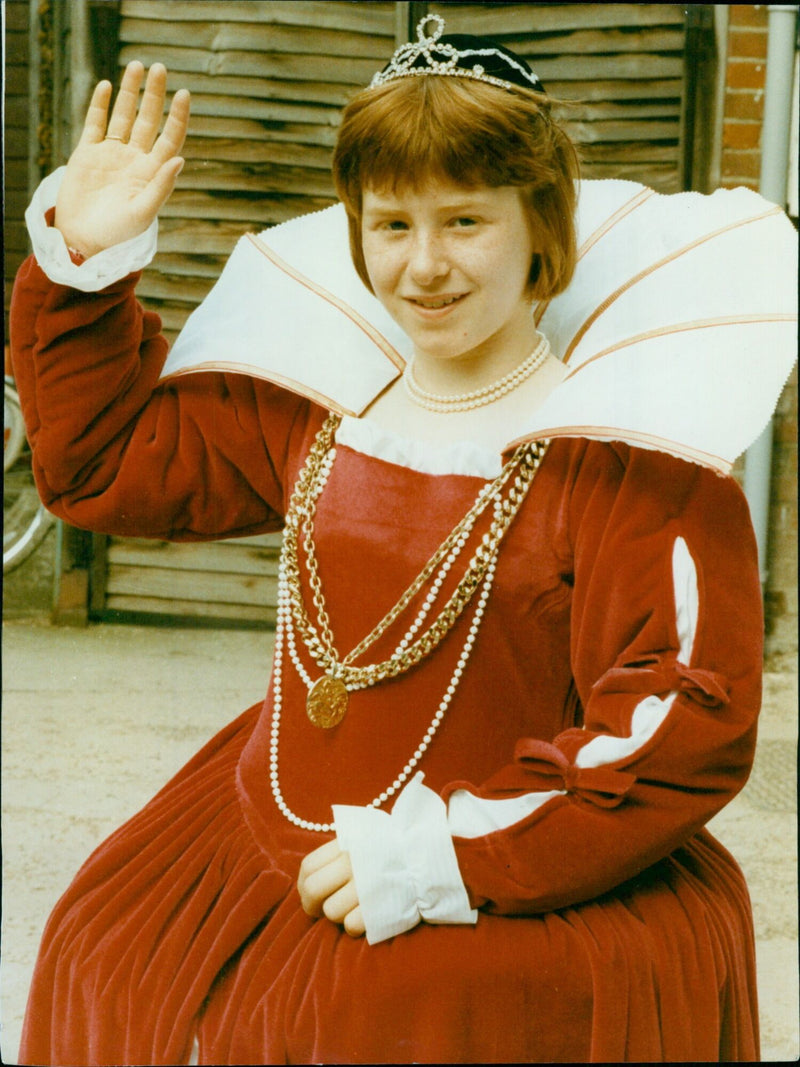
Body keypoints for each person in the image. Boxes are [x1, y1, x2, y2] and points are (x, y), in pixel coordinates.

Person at [9, 16, 776, 1064]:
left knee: (397, 1011)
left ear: (538, 226)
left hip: (505, 848)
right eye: (390, 224)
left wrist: (437, 853)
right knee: (104, 941)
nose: (423, 266)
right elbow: (99, 465)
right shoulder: (319, 405)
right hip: (275, 807)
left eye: (465, 221)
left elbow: (682, 713)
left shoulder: (626, 458)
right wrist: (87, 264)